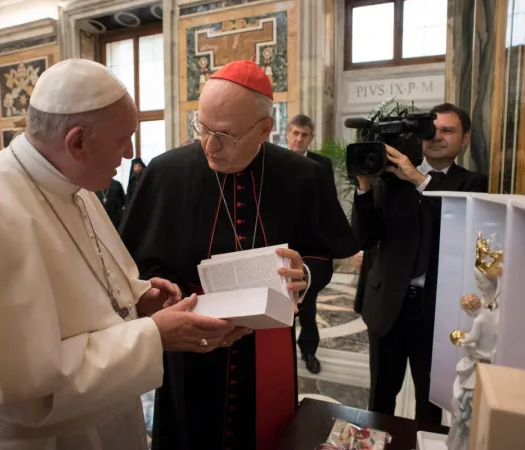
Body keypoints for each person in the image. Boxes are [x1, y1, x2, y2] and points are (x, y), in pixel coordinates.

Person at [0, 58, 240, 450]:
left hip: (103, 418)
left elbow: (85, 292)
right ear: (77, 142)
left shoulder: (76, 185)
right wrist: (153, 337)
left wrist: (137, 301)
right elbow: (23, 392)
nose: (130, 153)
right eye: (123, 140)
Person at [121, 60, 358, 450]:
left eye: (226, 135)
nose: (210, 146)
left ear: (265, 129)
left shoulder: (301, 176)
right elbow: (137, 262)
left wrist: (307, 276)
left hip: (266, 343)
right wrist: (158, 292)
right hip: (190, 341)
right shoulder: (166, 173)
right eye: (203, 128)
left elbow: (320, 255)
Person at [354, 103, 488, 424]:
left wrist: (418, 179)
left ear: (465, 139)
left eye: (447, 130)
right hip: (388, 306)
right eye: (431, 130)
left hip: (436, 313)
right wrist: (364, 186)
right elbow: (364, 238)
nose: (436, 137)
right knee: (380, 398)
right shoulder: (391, 178)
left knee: (430, 402)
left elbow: (460, 228)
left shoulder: (472, 183)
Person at [286, 114, 338, 375]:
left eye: (304, 135)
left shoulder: (322, 164)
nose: (299, 138)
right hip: (281, 241)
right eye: (295, 133)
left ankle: (308, 350)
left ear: (311, 138)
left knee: (309, 299)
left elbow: (328, 202)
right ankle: (281, 351)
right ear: (287, 134)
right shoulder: (274, 160)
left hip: (310, 244)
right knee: (281, 298)